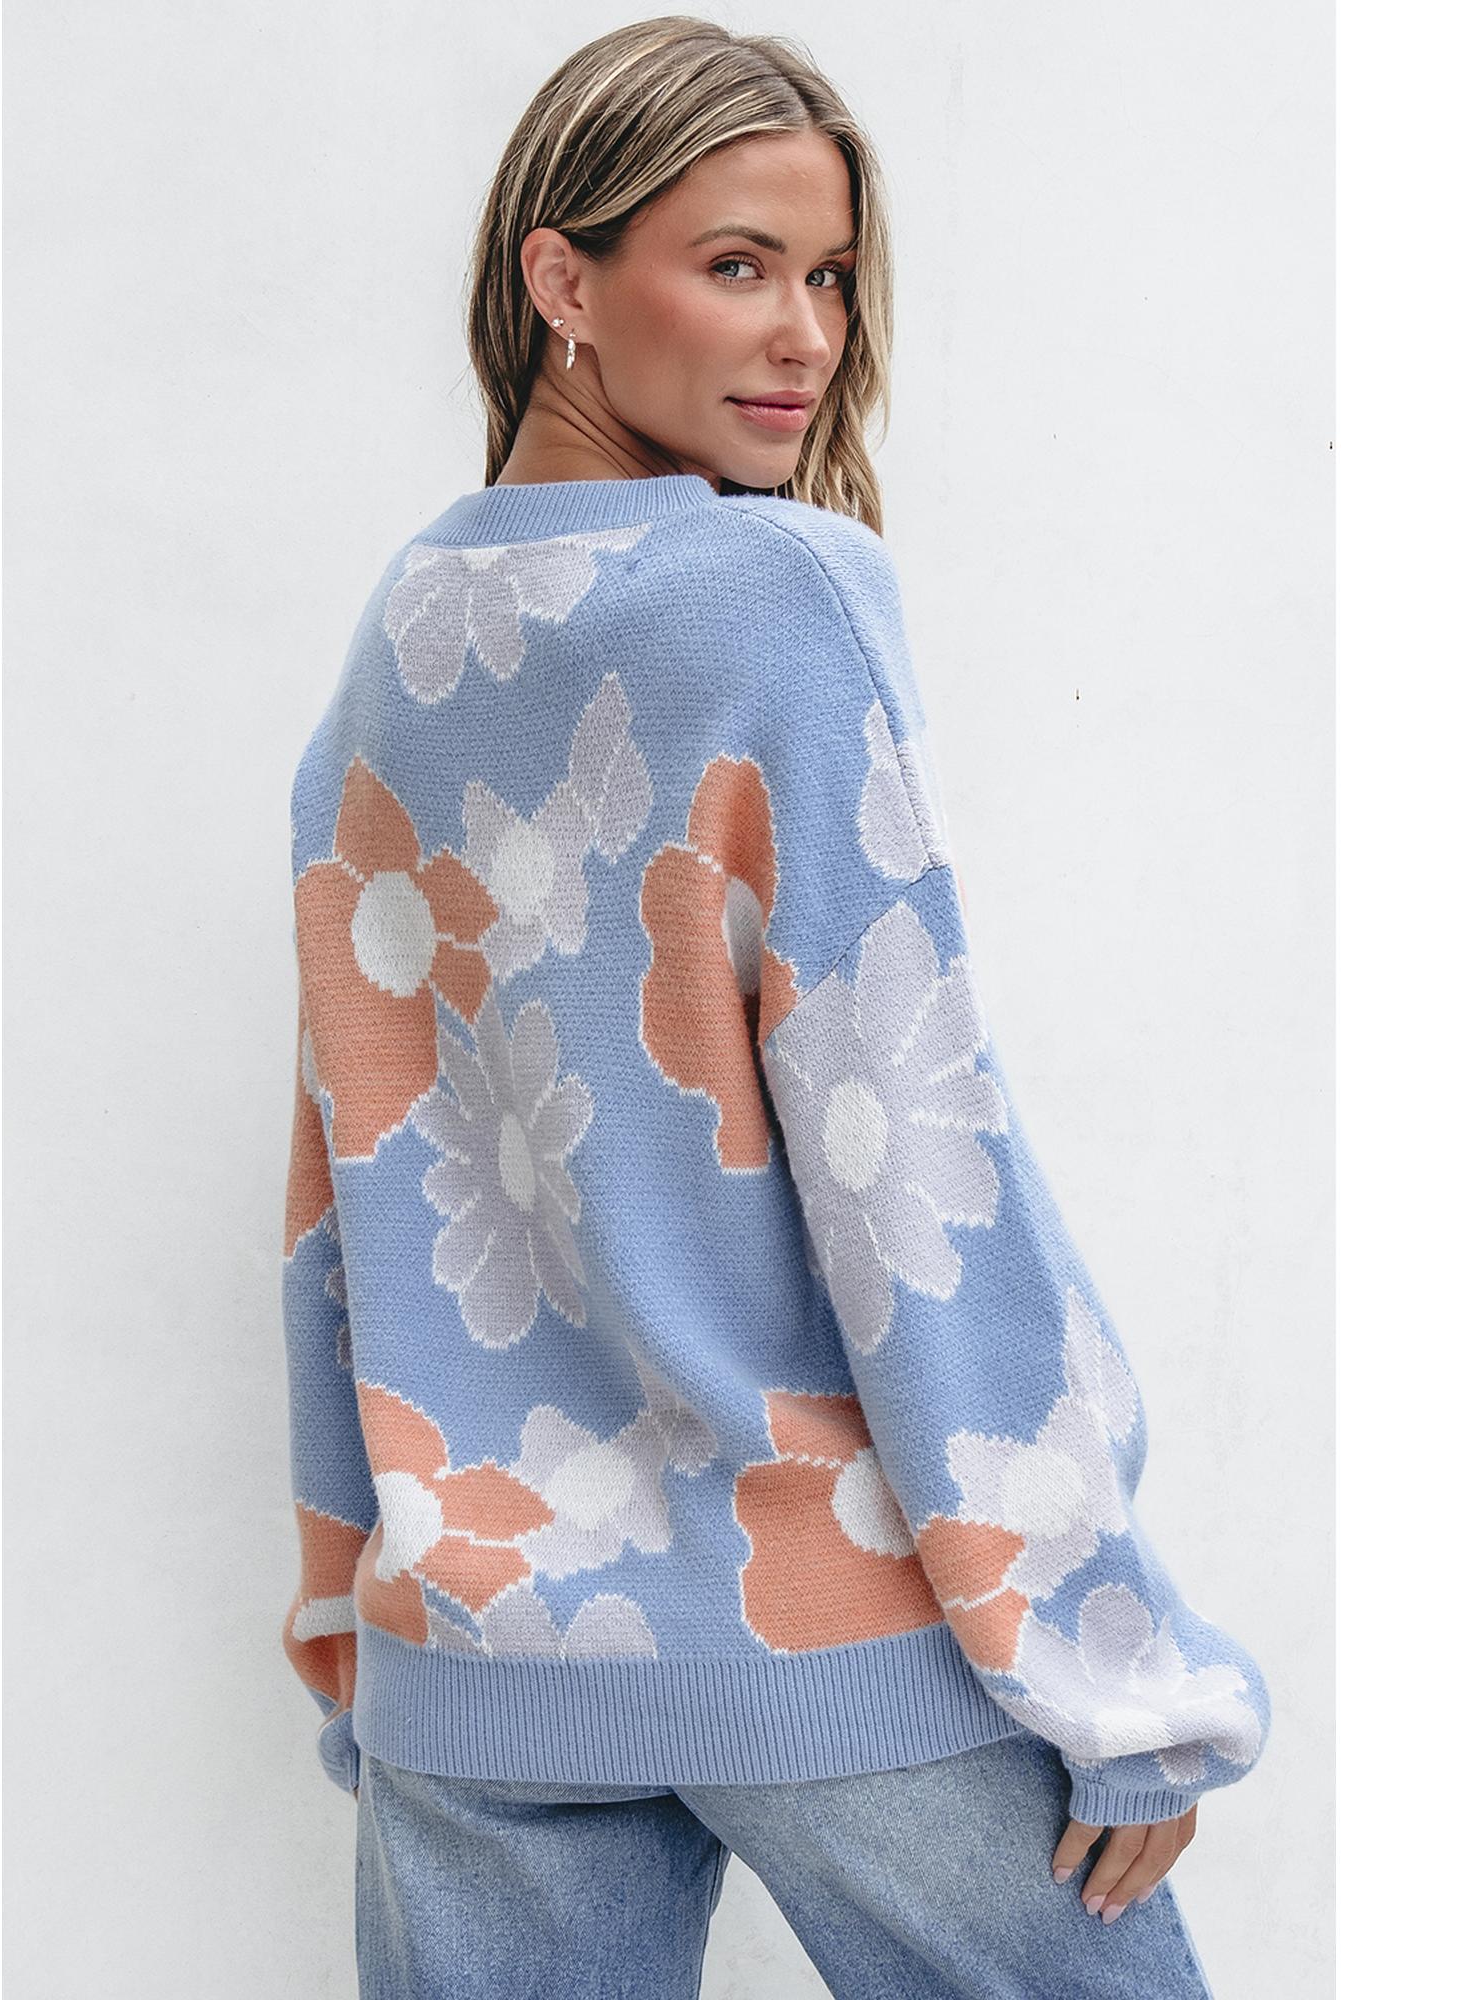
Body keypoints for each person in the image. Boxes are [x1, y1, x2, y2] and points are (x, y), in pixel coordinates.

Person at [275, 17, 1271, 1996]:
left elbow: (342, 1193)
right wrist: (1099, 1652)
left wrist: (353, 1624)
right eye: (734, 266)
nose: (805, 334)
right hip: (827, 1618)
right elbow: (920, 1163)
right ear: (562, 282)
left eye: (826, 276)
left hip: (475, 1650)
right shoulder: (775, 594)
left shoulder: (401, 636)